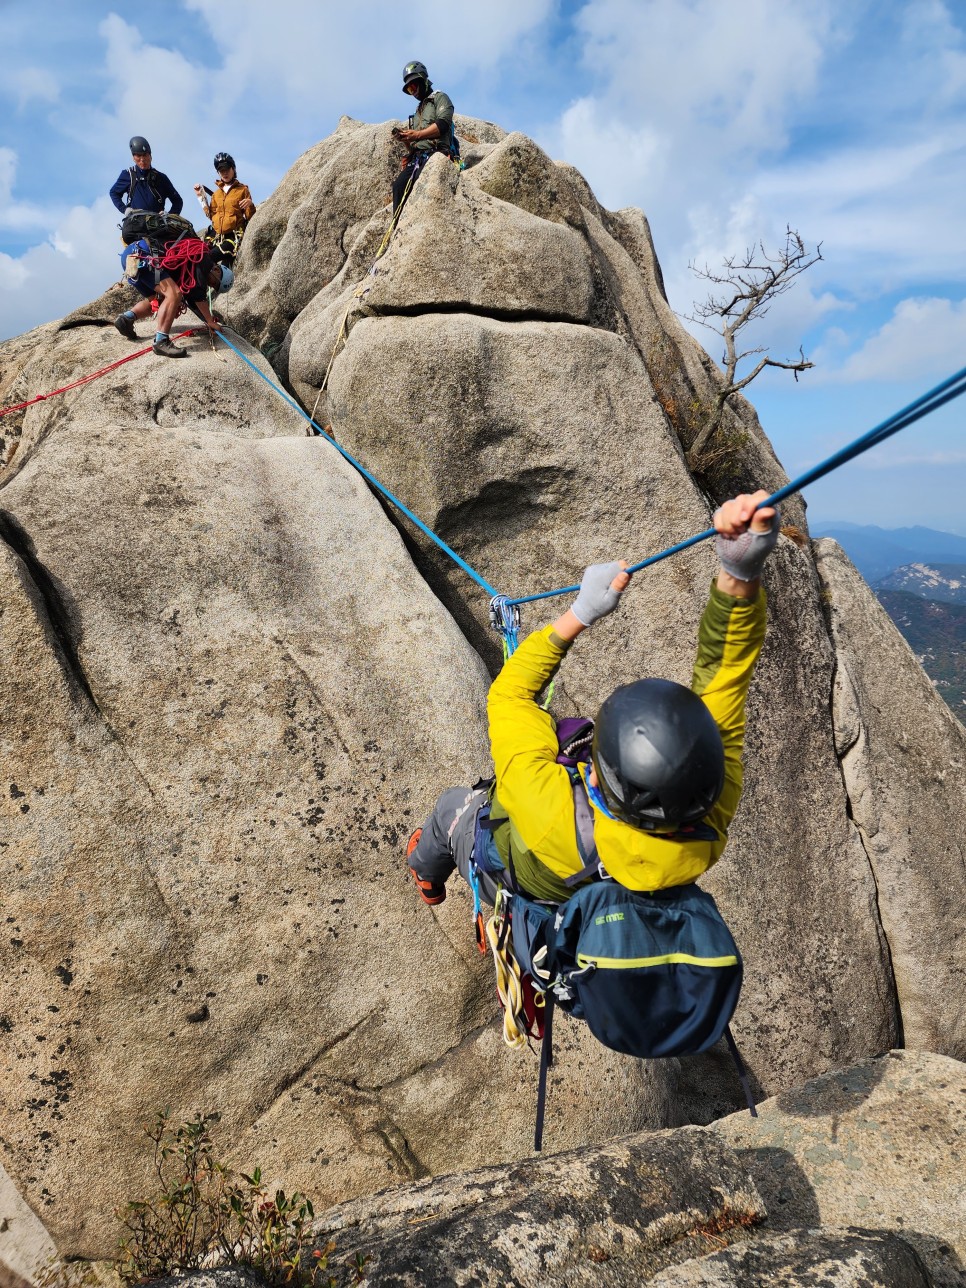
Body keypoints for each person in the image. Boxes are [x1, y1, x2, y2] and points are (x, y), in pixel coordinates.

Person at [407, 492, 779, 908]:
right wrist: (739, 571)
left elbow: (509, 694)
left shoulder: (547, 805)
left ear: (595, 778)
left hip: (516, 887)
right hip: (592, 908)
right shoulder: (707, 825)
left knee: (451, 808)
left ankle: (426, 873)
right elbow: (725, 675)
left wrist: (580, 614)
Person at [114, 241, 233, 358]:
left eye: (213, 287)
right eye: (214, 283)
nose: (210, 285)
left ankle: (126, 318)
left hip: (132, 255)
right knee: (174, 294)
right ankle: (161, 341)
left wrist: (207, 321)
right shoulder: (204, 260)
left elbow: (193, 300)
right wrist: (210, 320)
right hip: (146, 255)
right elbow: (197, 293)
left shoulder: (198, 263)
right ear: (217, 270)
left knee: (158, 301)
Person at [391, 61, 455, 214]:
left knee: (423, 180)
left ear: (423, 80)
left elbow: (443, 124)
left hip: (436, 153)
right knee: (398, 186)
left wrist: (417, 134)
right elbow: (414, 145)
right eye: (409, 89)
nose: (412, 92)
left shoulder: (440, 98)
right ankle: (397, 228)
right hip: (417, 158)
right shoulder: (418, 111)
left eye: (413, 86)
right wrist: (406, 140)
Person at [193, 152, 256, 265]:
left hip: (233, 236)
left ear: (233, 169)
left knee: (209, 258)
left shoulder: (242, 190)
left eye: (227, 169)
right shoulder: (216, 194)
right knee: (197, 256)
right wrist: (200, 197)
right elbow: (212, 216)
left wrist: (250, 204)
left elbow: (251, 218)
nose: (224, 173)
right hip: (215, 237)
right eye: (221, 170)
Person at [109, 137, 183, 215]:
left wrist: (170, 216)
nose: (142, 159)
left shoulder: (161, 178)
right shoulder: (128, 175)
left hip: (157, 224)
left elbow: (177, 201)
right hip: (135, 222)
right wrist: (124, 209)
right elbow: (114, 192)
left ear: (150, 156)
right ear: (133, 158)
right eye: (138, 156)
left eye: (145, 155)